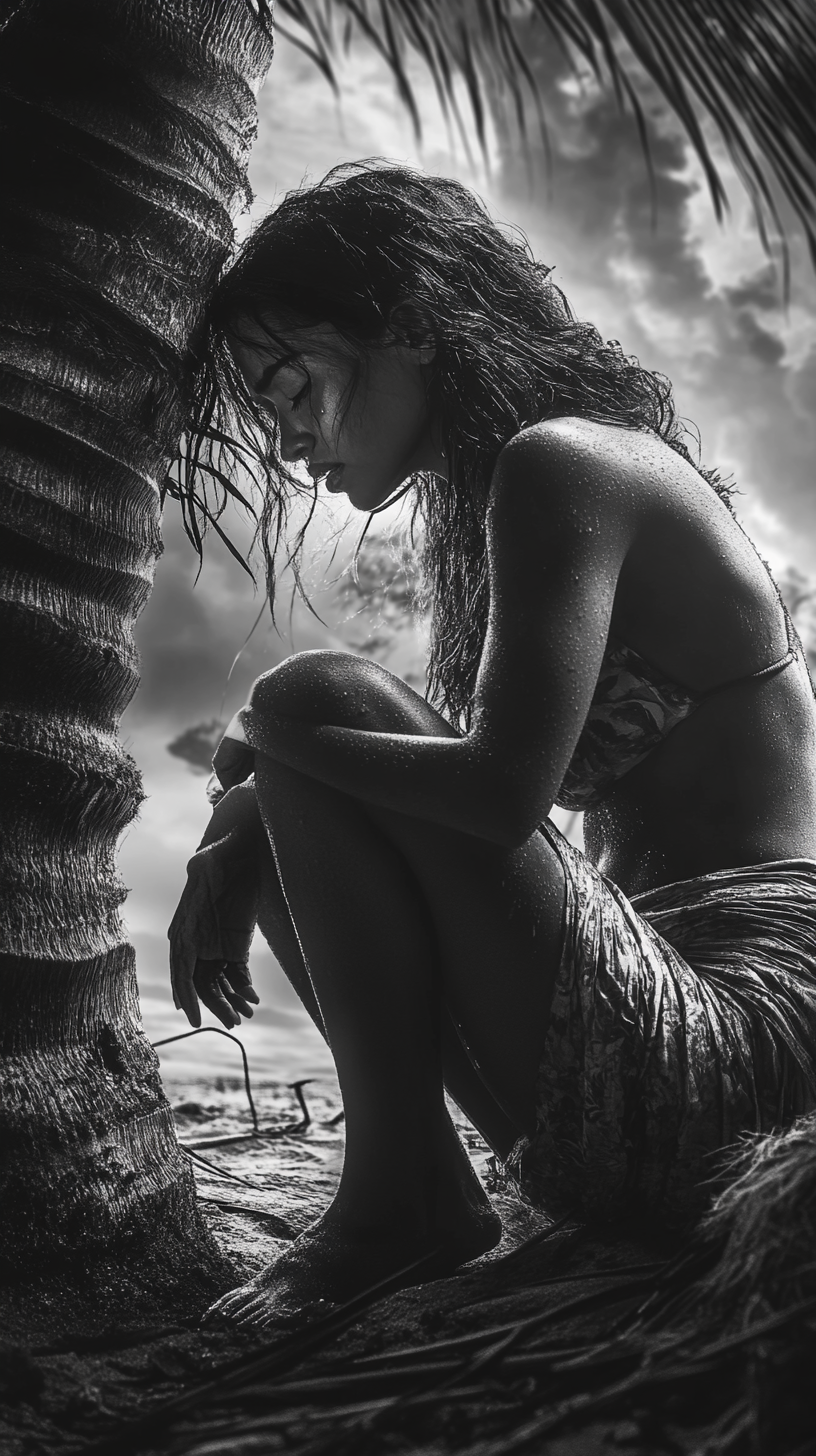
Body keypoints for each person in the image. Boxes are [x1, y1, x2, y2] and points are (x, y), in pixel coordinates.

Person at [168, 161, 816, 1330]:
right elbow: (414, 808)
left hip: (741, 1064)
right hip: (621, 1081)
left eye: (293, 386)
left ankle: (396, 1194)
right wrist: (252, 812)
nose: (290, 443)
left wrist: (271, 732)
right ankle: (418, 1183)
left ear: (411, 320)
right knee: (276, 786)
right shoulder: (491, 515)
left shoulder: (569, 462)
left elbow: (499, 796)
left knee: (309, 699)